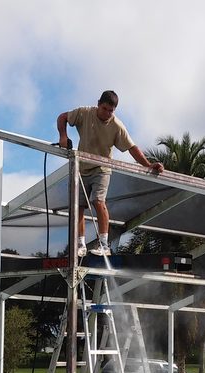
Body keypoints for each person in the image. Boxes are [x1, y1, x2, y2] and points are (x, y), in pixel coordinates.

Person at [57, 90, 164, 257]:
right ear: (99, 103)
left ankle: (104, 245)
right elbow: (62, 117)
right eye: (105, 109)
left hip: (102, 168)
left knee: (98, 201)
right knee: (78, 206)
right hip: (82, 167)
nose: (107, 113)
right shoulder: (84, 113)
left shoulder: (117, 126)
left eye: (111, 111)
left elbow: (132, 148)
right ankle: (80, 244)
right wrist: (63, 136)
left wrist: (149, 165)